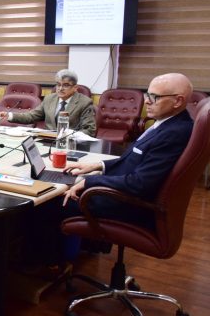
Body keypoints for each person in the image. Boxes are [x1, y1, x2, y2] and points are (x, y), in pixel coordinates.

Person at [62, 73, 194, 230]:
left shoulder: (174, 133)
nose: (146, 101)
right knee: (65, 187)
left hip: (127, 204)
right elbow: (133, 160)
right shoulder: (167, 123)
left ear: (178, 101)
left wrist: (89, 181)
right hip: (121, 193)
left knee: (51, 202)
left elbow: (140, 183)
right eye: (147, 94)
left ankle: (54, 253)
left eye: (155, 97)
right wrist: (98, 166)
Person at [0, 69, 96, 136]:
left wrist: (69, 137)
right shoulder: (49, 99)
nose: (60, 89)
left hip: (70, 143)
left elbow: (89, 130)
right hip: (47, 140)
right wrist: (9, 115)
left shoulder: (84, 102)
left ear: (75, 88)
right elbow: (32, 116)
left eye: (66, 85)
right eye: (58, 84)